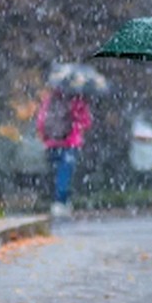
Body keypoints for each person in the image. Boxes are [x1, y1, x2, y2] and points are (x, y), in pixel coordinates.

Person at [35, 84, 93, 218]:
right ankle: (60, 203)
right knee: (65, 174)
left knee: (56, 173)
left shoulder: (50, 100)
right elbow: (86, 123)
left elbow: (41, 122)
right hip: (69, 144)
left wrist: (46, 137)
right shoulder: (76, 102)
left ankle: (59, 201)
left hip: (51, 143)